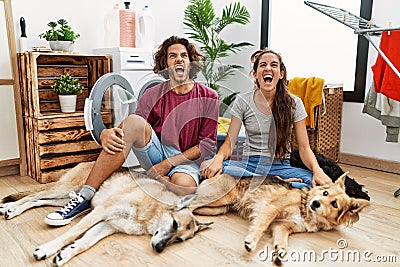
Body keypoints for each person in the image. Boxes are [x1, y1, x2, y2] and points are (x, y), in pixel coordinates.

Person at [45, 36, 219, 226]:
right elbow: (133, 126)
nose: (179, 59)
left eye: (184, 55)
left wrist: (169, 164)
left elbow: (207, 144)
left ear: (191, 62)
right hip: (157, 152)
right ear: (165, 63)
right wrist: (106, 133)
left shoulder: (209, 96)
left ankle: (156, 183)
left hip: (187, 159)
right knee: (134, 121)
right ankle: (84, 197)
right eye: (172, 56)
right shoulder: (153, 94)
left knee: (183, 187)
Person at [201, 48, 332, 188]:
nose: (268, 68)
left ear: (281, 74)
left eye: (273, 65)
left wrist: (318, 170)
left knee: (313, 183)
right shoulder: (243, 101)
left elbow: (304, 148)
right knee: (209, 168)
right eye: (263, 65)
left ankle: (263, 184)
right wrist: (218, 159)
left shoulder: (294, 103)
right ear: (256, 74)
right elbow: (229, 144)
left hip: (280, 166)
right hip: (249, 165)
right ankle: (276, 184)